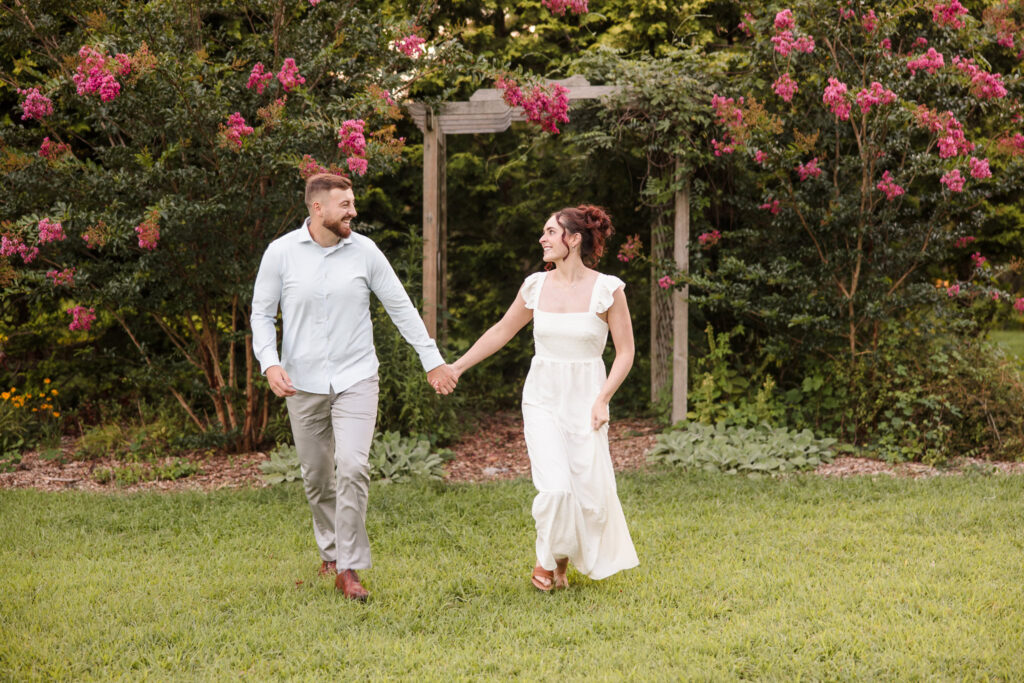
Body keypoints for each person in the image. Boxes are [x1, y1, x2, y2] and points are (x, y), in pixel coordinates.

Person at [250, 173, 457, 601]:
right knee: (317, 475)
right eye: (345, 204)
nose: (353, 211)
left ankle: (348, 567)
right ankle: (330, 550)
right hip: (301, 382)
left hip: (357, 376)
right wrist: (270, 364)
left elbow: (401, 307)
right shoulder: (281, 254)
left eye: (353, 202)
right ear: (317, 208)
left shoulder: (365, 252)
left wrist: (431, 360)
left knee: (354, 466)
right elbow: (261, 314)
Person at [449, 205, 639, 591]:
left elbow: (625, 352)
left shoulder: (608, 289)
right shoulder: (535, 286)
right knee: (554, 487)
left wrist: (603, 399)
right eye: (544, 232)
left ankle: (561, 563)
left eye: (551, 232)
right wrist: (457, 367)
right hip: (543, 396)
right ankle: (544, 559)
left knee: (587, 492)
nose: (543, 238)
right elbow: (501, 331)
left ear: (574, 239)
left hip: (587, 398)